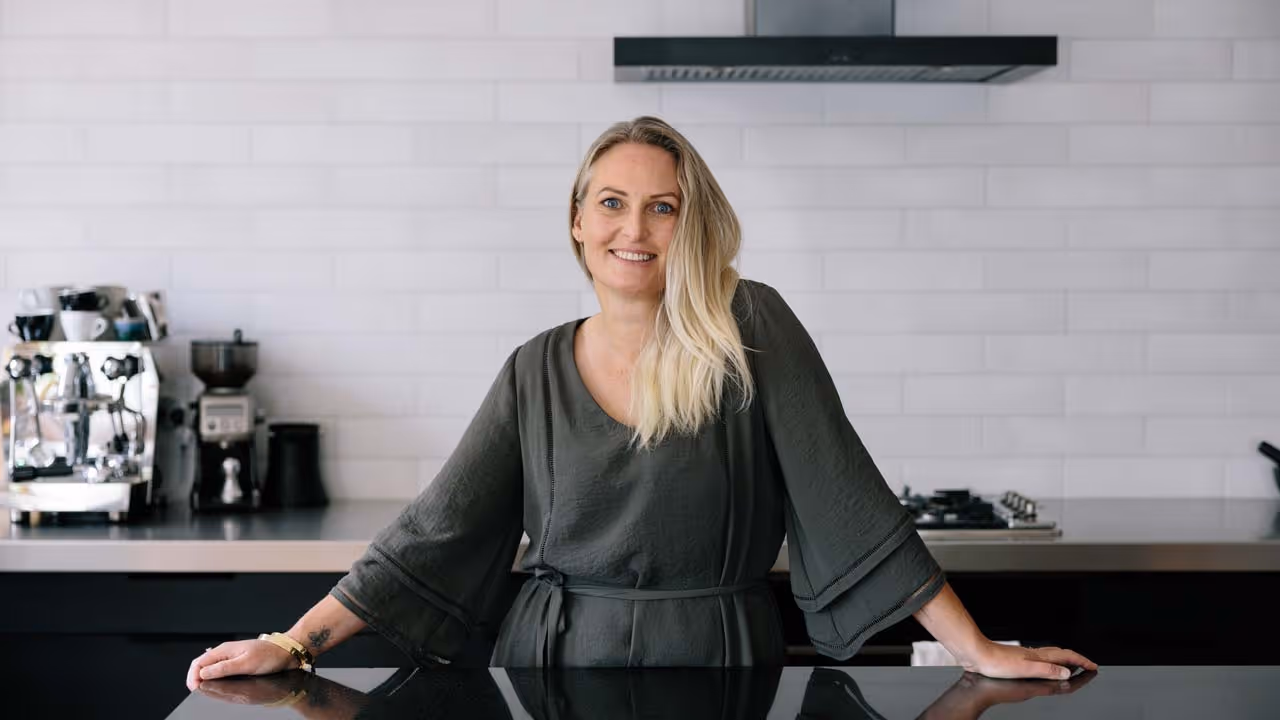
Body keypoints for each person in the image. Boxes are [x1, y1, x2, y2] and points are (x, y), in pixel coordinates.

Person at [187, 116, 1096, 690]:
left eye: (663, 208)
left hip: (720, 660)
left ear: (690, 223)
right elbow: (435, 530)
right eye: (613, 203)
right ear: (579, 220)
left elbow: (847, 493)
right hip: (550, 665)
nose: (635, 229)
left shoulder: (750, 326)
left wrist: (978, 649)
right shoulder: (533, 369)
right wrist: (296, 644)